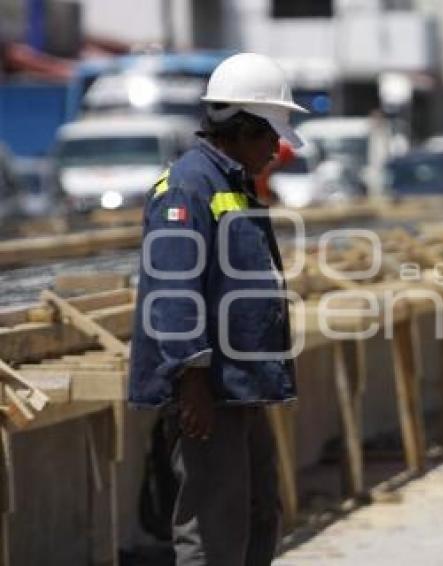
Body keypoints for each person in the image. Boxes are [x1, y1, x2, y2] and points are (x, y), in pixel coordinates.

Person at [129, 52, 306, 565]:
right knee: (212, 528)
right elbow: (173, 292)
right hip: (209, 393)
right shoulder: (188, 187)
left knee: (257, 512)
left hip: (240, 385)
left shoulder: (232, 183)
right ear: (242, 127)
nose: (277, 148)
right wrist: (192, 381)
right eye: (271, 135)